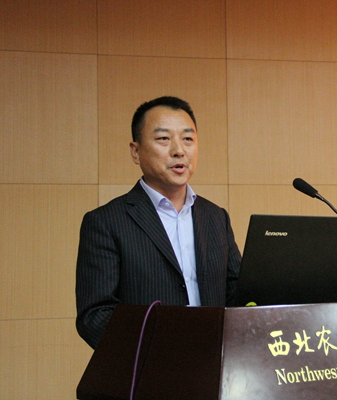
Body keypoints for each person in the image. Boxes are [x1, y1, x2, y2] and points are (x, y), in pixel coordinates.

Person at [76, 96, 241, 349]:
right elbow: (95, 316)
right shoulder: (105, 222)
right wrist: (163, 349)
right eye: (164, 138)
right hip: (150, 368)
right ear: (136, 151)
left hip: (215, 365)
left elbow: (236, 295)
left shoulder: (216, 217)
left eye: (188, 139)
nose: (179, 150)